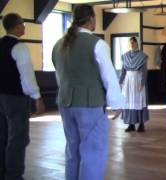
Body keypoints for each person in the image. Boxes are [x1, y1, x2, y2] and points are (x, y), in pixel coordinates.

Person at [52, 4, 124, 180]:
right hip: (90, 104)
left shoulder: (59, 45)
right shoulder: (97, 44)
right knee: (93, 152)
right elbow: (109, 75)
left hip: (65, 102)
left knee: (72, 150)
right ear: (91, 19)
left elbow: (60, 76)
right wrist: (117, 103)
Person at [0, 13, 45, 180]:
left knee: (2, 136)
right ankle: (14, 175)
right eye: (23, 24)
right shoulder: (19, 47)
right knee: (18, 138)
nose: (25, 27)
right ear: (17, 26)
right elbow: (27, 76)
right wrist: (37, 97)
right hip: (15, 99)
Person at [119, 37, 149, 132]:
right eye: (131, 42)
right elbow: (123, 70)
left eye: (134, 42)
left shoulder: (142, 56)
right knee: (128, 101)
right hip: (128, 81)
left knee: (138, 101)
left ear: (137, 44)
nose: (132, 44)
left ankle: (141, 124)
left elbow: (144, 72)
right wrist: (120, 81)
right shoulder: (125, 56)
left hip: (137, 80)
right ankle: (131, 124)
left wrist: (142, 83)